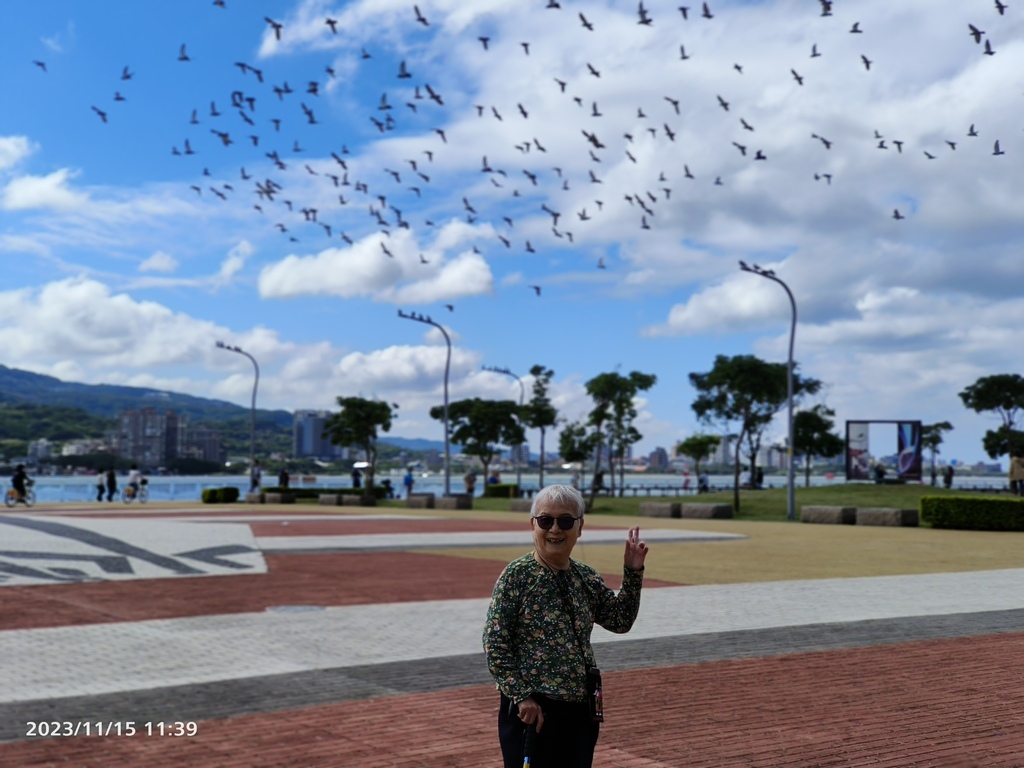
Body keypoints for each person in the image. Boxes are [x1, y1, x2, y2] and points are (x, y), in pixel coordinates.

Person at [483, 485, 649, 768]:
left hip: (579, 711)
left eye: (566, 521)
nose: (555, 530)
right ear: (533, 525)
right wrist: (521, 697)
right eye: (546, 520)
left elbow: (620, 621)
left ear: (580, 527)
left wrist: (632, 573)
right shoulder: (517, 576)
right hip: (533, 712)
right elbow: (495, 643)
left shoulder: (585, 577)